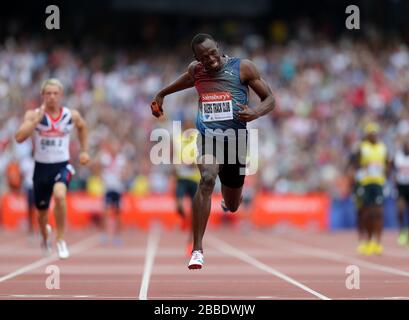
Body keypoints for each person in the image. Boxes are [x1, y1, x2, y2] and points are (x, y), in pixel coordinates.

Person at [151, 33, 276, 269]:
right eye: (204, 57)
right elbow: (185, 80)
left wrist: (255, 113)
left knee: (234, 203)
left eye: (212, 53)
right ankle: (197, 250)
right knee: (207, 180)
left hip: (236, 140)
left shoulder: (243, 68)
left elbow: (270, 98)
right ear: (197, 60)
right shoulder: (197, 71)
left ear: (218, 47)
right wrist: (162, 93)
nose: (211, 59)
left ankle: (230, 201)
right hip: (209, 138)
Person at [15, 78, 90, 259]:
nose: (52, 97)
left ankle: (61, 239)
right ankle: (45, 235)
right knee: (41, 215)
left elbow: (82, 126)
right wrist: (36, 121)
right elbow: (19, 137)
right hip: (41, 168)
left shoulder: (70, 115)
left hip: (61, 165)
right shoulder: (33, 115)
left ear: (61, 95)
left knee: (60, 195)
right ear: (42, 95)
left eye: (55, 93)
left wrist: (84, 151)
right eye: (48, 93)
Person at [351, 123, 389, 255]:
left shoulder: (383, 148)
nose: (373, 135)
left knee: (378, 212)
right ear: (367, 135)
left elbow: (387, 164)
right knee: (366, 213)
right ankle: (366, 240)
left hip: (378, 183)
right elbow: (355, 164)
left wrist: (385, 175)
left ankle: (376, 242)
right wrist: (359, 175)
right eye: (371, 133)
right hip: (365, 183)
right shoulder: (362, 148)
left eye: (375, 132)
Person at [172, 118, 200, 256]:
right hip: (182, 178)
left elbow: (200, 156)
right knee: (178, 205)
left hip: (194, 179)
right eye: (186, 125)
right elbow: (174, 156)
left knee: (195, 211)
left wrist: (194, 163)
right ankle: (184, 219)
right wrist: (175, 166)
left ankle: (190, 242)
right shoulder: (178, 139)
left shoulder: (197, 138)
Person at [99, 140, 127, 245]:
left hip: (118, 189)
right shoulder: (104, 158)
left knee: (118, 214)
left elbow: (126, 171)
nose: (114, 150)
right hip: (108, 189)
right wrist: (101, 176)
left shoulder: (121, 159)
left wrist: (124, 175)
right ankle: (104, 234)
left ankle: (117, 235)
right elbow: (97, 167)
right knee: (105, 212)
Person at [393, 139, 409, 247]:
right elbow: (393, 170)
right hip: (401, 186)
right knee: (400, 210)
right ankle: (402, 231)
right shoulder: (398, 157)